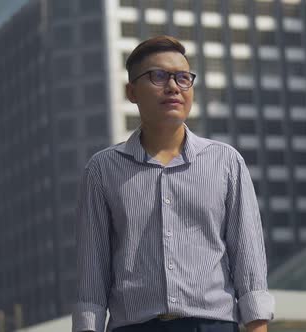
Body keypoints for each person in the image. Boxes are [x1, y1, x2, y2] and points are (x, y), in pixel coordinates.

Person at [73, 35, 274, 332]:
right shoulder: (102, 170)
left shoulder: (226, 162)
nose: (173, 87)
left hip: (213, 325)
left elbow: (249, 261)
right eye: (158, 76)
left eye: (183, 78)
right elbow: (92, 271)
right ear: (131, 92)